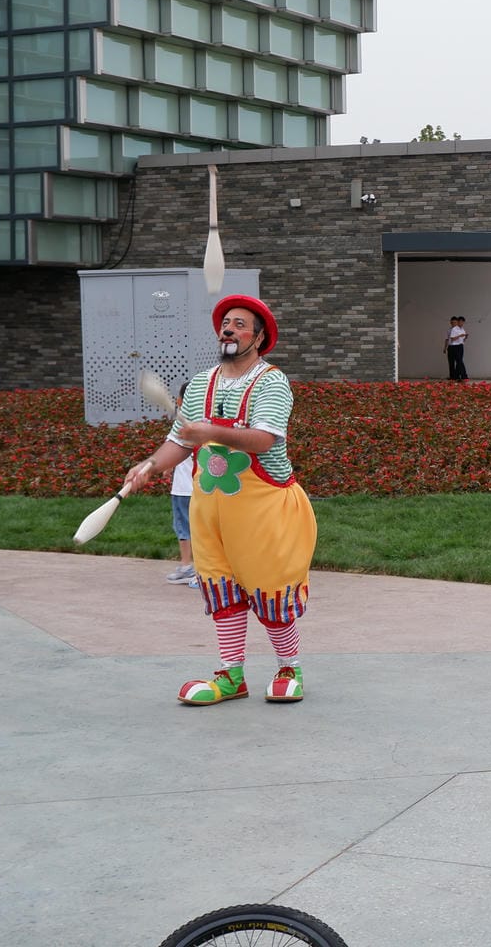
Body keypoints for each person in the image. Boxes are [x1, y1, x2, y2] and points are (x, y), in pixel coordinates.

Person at [120, 294, 319, 706]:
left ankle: (288, 667)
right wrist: (151, 466)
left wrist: (206, 431)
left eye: (240, 324)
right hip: (210, 509)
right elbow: (178, 441)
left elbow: (263, 440)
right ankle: (231, 676)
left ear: (259, 337)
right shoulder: (202, 382)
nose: (229, 329)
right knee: (222, 591)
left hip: (265, 510)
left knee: (270, 589)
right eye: (226, 322)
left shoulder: (271, 382)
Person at [165, 380, 197, 585]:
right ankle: (193, 569)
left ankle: (190, 568)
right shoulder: (204, 422)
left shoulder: (187, 425)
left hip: (186, 489)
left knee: (185, 528)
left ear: (179, 401)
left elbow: (173, 450)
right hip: (203, 489)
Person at [444, 316, 468, 381]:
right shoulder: (450, 330)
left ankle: (459, 376)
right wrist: (445, 348)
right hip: (451, 347)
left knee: (459, 361)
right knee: (451, 362)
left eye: (455, 322)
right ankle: (453, 376)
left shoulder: (461, 329)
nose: (453, 323)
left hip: (459, 346)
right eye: (452, 322)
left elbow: (462, 340)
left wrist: (465, 337)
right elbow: (448, 339)